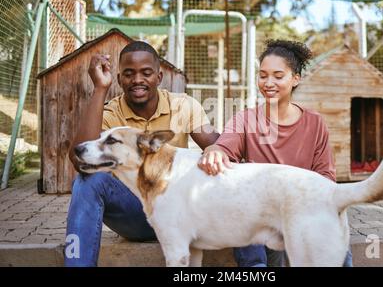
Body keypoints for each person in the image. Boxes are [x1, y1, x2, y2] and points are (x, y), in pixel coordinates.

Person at [197, 40, 353, 267]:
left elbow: (325, 179)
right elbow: (224, 147)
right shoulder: (245, 119)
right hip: (262, 216)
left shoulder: (315, 123)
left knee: (334, 239)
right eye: (263, 75)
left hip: (302, 209)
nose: (268, 83)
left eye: (278, 76)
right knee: (242, 207)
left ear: (295, 79)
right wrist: (214, 150)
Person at [65, 41, 219, 267]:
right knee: (87, 181)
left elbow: (219, 147)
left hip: (180, 216)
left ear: (158, 77)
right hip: (135, 217)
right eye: (129, 74)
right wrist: (100, 88)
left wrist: (223, 149)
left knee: (227, 171)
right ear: (119, 79)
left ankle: (256, 267)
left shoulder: (183, 106)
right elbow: (79, 160)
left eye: (146, 73)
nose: (137, 79)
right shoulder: (109, 113)